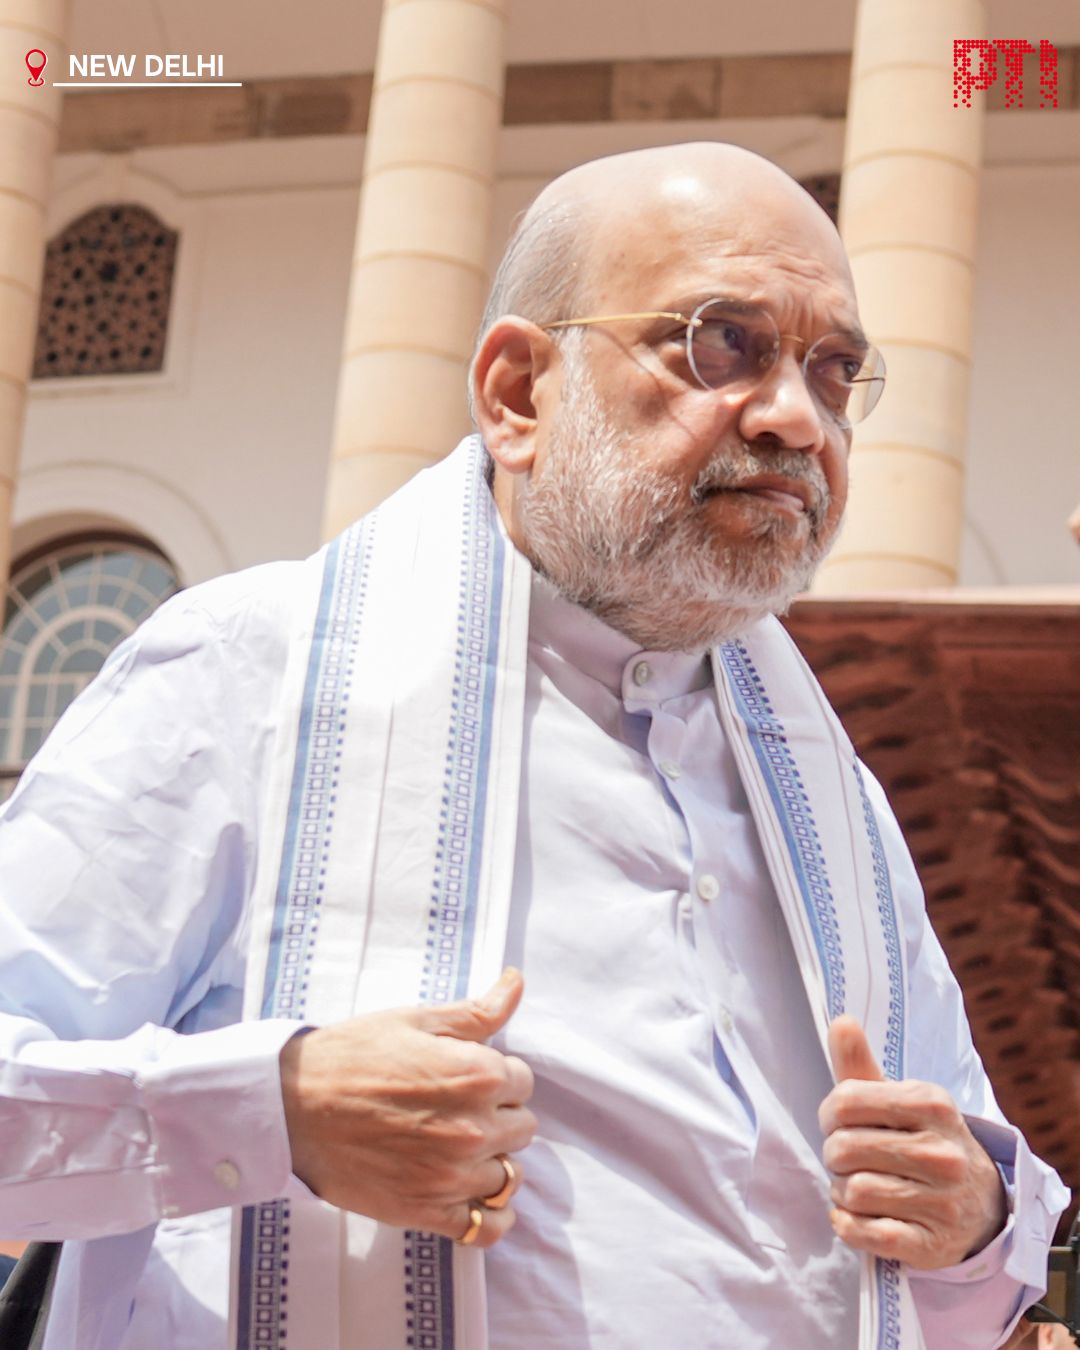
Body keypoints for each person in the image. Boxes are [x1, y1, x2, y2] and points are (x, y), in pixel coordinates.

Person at [0, 143, 1068, 1350]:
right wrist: (274, 1110)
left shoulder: (833, 799)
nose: (794, 418)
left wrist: (976, 1219)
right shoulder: (252, 670)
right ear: (518, 392)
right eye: (725, 343)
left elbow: (974, 1258)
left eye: (835, 373)